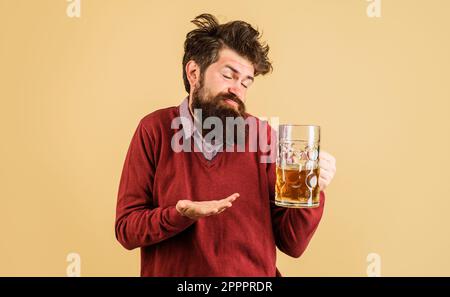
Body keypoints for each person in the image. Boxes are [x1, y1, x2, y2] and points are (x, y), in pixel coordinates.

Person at [115, 13, 337, 277]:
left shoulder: (261, 135)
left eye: (246, 82)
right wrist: (179, 214)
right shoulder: (154, 130)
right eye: (229, 75)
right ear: (194, 72)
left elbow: (293, 243)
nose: (238, 90)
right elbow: (126, 230)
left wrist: (312, 190)